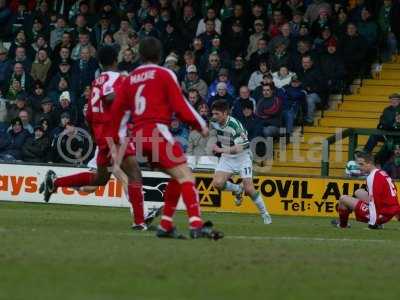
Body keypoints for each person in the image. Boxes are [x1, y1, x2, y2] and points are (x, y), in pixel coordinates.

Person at [111, 37, 223, 240]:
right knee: (187, 176)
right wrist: (200, 125)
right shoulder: (164, 73)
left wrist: (118, 140)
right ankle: (196, 224)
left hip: (137, 135)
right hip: (157, 131)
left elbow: (118, 112)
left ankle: (166, 225)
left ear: (140, 55)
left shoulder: (130, 78)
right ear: (159, 55)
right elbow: (180, 104)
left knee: (177, 175)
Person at [39, 46, 148, 231]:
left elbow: (89, 114)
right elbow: (109, 98)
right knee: (134, 174)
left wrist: (98, 133)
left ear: (99, 62)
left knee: (100, 179)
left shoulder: (97, 80)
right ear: (116, 59)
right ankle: (139, 221)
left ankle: (55, 183)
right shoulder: (117, 78)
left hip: (103, 137)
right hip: (115, 136)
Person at [210, 100, 272, 224]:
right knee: (217, 184)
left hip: (242, 157)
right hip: (227, 158)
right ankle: (238, 189)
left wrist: (220, 149)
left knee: (249, 189)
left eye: (217, 114)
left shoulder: (235, 126)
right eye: (213, 114)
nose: (214, 116)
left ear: (225, 113)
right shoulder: (214, 122)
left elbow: (241, 147)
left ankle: (265, 213)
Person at [332, 151, 400, 229]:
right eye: (358, 164)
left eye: (361, 164)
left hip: (381, 215)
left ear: (369, 164)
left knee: (343, 199)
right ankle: (376, 221)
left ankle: (343, 225)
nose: (358, 167)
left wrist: (373, 224)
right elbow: (393, 194)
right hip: (388, 210)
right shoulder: (381, 173)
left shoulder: (372, 177)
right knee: (358, 192)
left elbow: (374, 202)